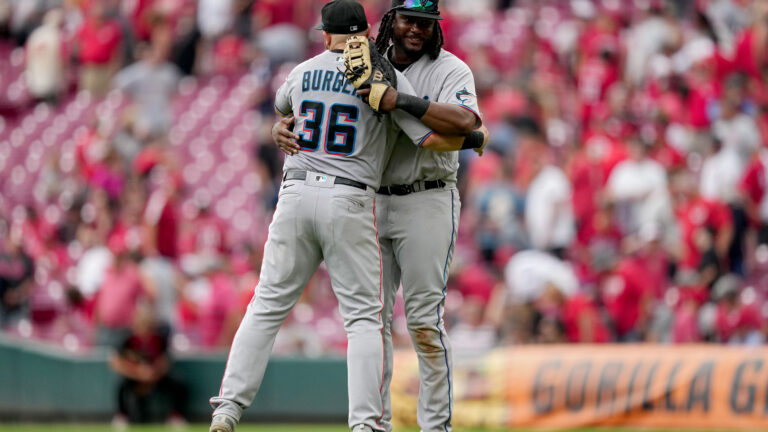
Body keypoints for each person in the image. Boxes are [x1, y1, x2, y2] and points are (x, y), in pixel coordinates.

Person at [210, 1, 477, 432]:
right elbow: (431, 138)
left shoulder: (302, 69)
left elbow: (285, 107)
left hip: (305, 194)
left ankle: (227, 408)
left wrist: (283, 123)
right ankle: (368, 424)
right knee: (367, 320)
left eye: (425, 24)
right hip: (355, 200)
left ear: (323, 34)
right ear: (373, 29)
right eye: (409, 20)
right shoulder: (383, 71)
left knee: (267, 306)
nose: (416, 30)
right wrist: (473, 137)